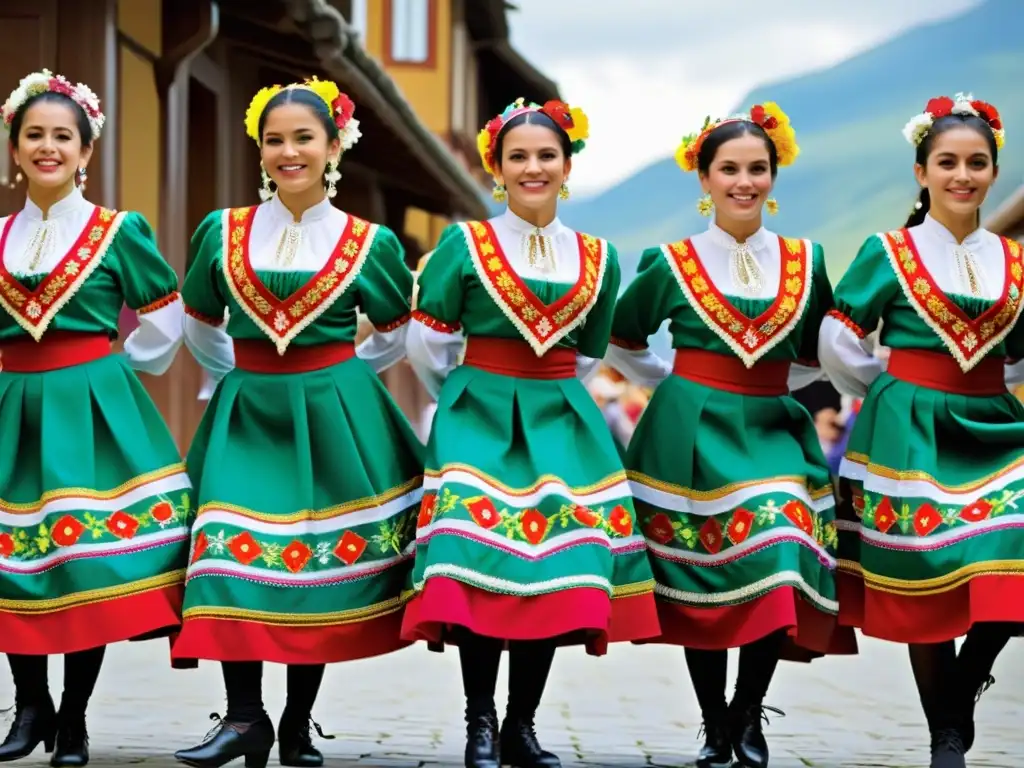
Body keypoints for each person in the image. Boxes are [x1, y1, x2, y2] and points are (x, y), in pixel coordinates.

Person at [401, 98, 660, 768]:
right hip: (478, 415)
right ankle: (480, 722)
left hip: (561, 420)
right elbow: (429, 342)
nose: (533, 166)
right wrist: (462, 396)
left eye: (546, 154)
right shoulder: (466, 242)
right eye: (518, 156)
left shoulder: (598, 256)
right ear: (498, 168)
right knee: (482, 561)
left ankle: (522, 724)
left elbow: (589, 351)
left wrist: (545, 387)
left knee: (556, 569)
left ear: (567, 164)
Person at [171, 78, 423, 768]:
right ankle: (245, 717)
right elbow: (197, 317)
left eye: (303, 138)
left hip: (332, 411)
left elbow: (397, 330)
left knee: (314, 561)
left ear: (333, 145)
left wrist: (342, 373)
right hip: (249, 410)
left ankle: (297, 722)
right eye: (275, 140)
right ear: (260, 151)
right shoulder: (222, 231)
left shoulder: (368, 242)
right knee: (229, 549)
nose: (289, 152)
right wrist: (235, 372)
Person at [606, 102, 855, 768]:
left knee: (778, 549)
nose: (744, 182)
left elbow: (818, 349)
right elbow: (624, 334)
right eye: (729, 170)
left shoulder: (807, 260)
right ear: (705, 179)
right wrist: (672, 379)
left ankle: (749, 712)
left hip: (772, 425)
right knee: (702, 575)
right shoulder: (672, 260)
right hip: (688, 429)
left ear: (774, 176)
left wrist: (784, 381)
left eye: (757, 169)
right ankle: (717, 727)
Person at [819, 93, 1023, 768]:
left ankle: (964, 685)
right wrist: (885, 389)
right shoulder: (890, 251)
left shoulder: (1015, 262)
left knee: (1014, 551)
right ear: (921, 170)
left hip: (991, 421)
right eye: (947, 162)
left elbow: (1018, 349)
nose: (961, 175)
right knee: (925, 570)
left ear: (994, 171)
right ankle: (945, 735)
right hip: (909, 431)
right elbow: (838, 336)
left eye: (976, 163)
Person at [0, 70, 190, 765]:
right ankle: (30, 706)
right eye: (33, 136)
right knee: (14, 560)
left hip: (91, 405)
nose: (47, 147)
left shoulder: (116, 231)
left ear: (85, 151)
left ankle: (74, 717)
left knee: (83, 560)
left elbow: (165, 319)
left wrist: (112, 369)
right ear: (15, 149)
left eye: (61, 136)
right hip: (14, 404)